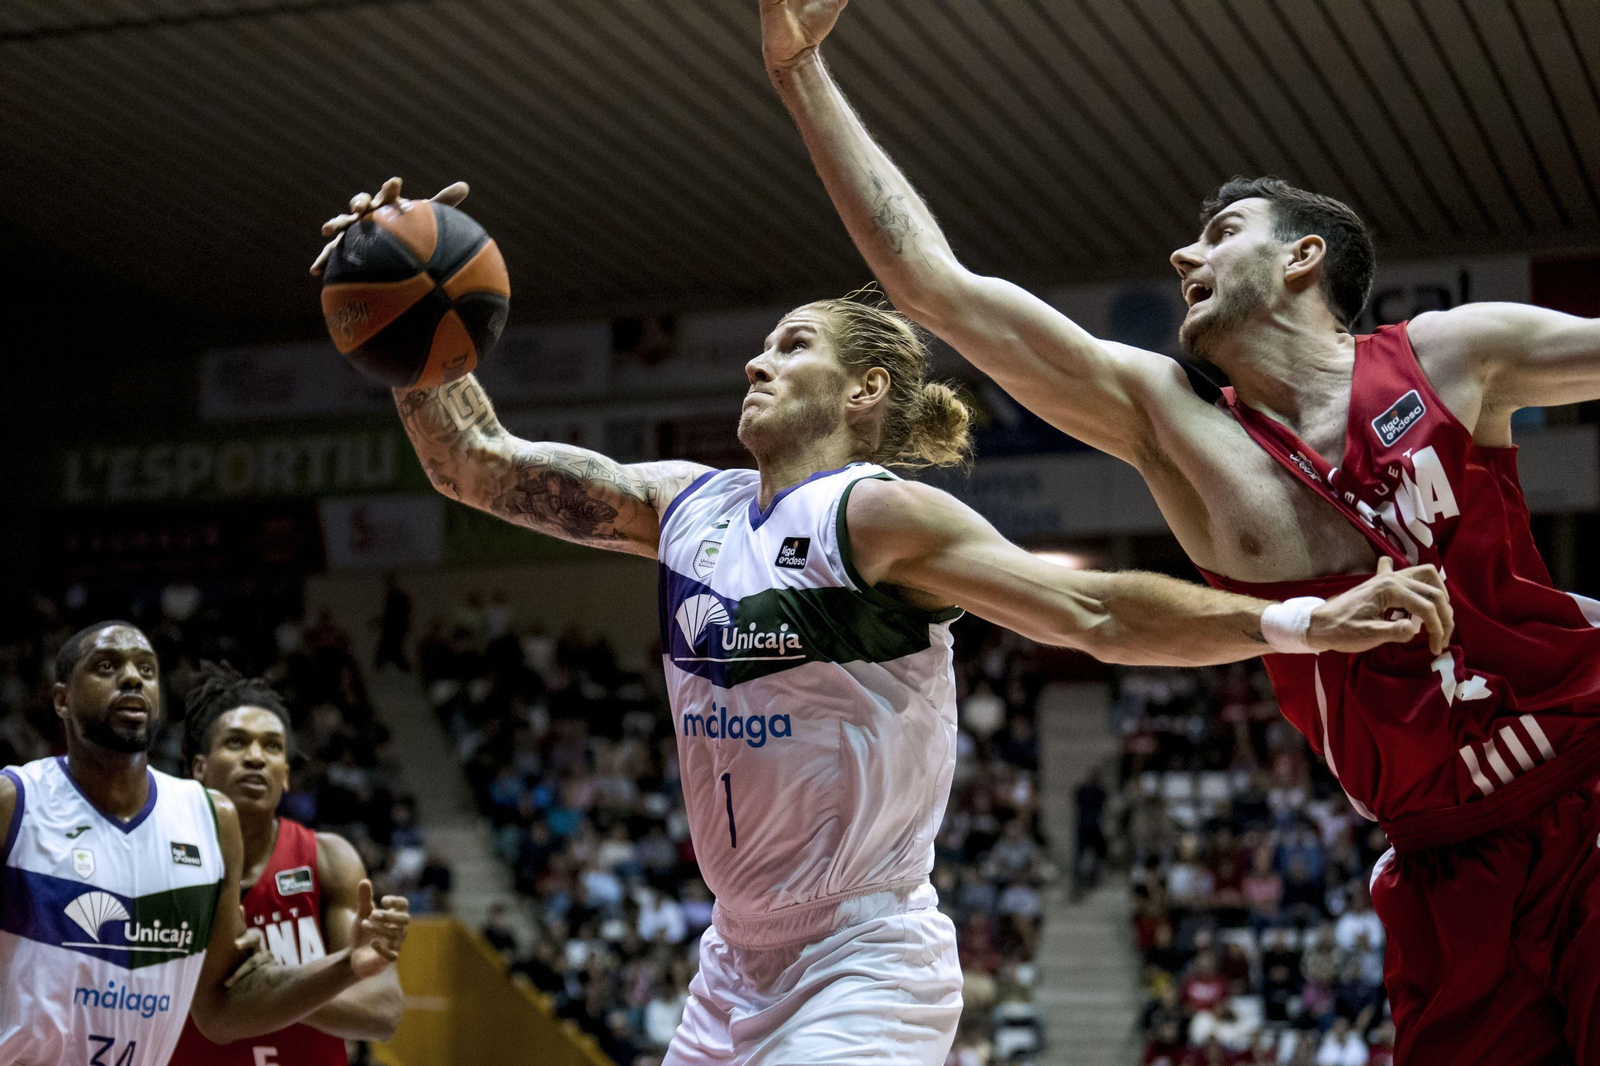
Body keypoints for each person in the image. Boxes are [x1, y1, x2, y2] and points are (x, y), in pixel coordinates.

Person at [312, 180, 1446, 1066]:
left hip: (863, 954)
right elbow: (473, 466)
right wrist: (408, 334)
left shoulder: (878, 516)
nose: (758, 356)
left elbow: (1095, 609)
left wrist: (1302, 621)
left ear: (861, 396)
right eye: (763, 343)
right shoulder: (683, 506)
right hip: (731, 959)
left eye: (793, 343)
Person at [761, 3, 1600, 1061]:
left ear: (1302, 257)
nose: (1181, 252)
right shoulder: (1175, 425)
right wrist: (800, 71)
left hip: (1586, 771)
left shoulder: (1452, 354)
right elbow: (933, 289)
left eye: (1219, 234)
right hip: (1444, 864)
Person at [0, 622, 409, 1065]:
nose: (133, 677)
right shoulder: (14, 801)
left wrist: (346, 966)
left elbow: (221, 1009)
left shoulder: (211, 823)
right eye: (106, 666)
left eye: (147, 669)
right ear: (61, 699)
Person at [169, 661, 406, 1065]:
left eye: (272, 746)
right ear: (199, 768)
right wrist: (307, 983)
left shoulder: (329, 858)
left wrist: (270, 987)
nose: (256, 757)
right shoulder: (163, 863)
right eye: (236, 742)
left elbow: (382, 1012)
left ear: (286, 777)